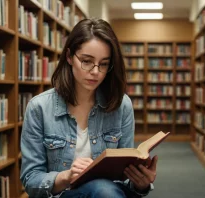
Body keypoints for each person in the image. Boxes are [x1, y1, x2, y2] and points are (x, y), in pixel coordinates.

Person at [20, 18, 158, 198]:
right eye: (86, 61)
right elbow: (31, 180)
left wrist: (141, 184)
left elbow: (124, 180)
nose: (95, 71)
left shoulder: (121, 105)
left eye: (104, 64)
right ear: (69, 57)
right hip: (64, 195)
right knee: (104, 190)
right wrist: (66, 176)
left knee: (105, 190)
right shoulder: (39, 107)